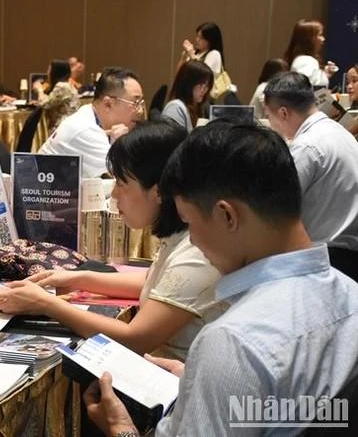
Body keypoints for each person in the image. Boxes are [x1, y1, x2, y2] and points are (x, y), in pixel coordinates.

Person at [85, 122, 358, 435]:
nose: (194, 241)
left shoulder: (234, 342)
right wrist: (197, 380)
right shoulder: (351, 295)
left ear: (227, 216)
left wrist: (121, 430)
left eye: (190, 222)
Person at [0, 120, 224, 360]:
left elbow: (134, 339)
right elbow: (153, 282)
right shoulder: (181, 238)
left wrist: (47, 305)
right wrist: (77, 278)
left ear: (159, 192)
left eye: (122, 184)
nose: (114, 194)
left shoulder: (197, 253)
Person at [263, 72, 358, 281]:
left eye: (269, 117)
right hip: (347, 257)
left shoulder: (307, 147)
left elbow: (274, 210)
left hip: (327, 260)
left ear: (283, 113)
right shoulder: (340, 133)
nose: (271, 125)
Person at [39, 67, 144, 178]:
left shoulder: (89, 117)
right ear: (108, 104)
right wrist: (120, 144)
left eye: (141, 103)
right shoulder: (85, 130)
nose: (140, 111)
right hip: (40, 188)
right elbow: (128, 178)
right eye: (135, 102)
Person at [162, 60, 213, 132]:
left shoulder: (200, 108)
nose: (204, 90)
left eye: (207, 85)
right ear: (188, 84)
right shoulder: (175, 108)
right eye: (201, 85)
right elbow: (175, 138)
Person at [284, 19, 337, 88]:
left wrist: (325, 74)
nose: (323, 39)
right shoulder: (305, 61)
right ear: (309, 39)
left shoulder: (303, 60)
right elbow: (310, 89)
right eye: (320, 35)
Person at [35, 59, 80, 132]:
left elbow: (45, 104)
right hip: (69, 126)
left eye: (49, 70)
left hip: (62, 128)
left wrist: (40, 89)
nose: (47, 73)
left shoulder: (62, 86)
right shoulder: (68, 85)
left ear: (55, 72)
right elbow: (53, 100)